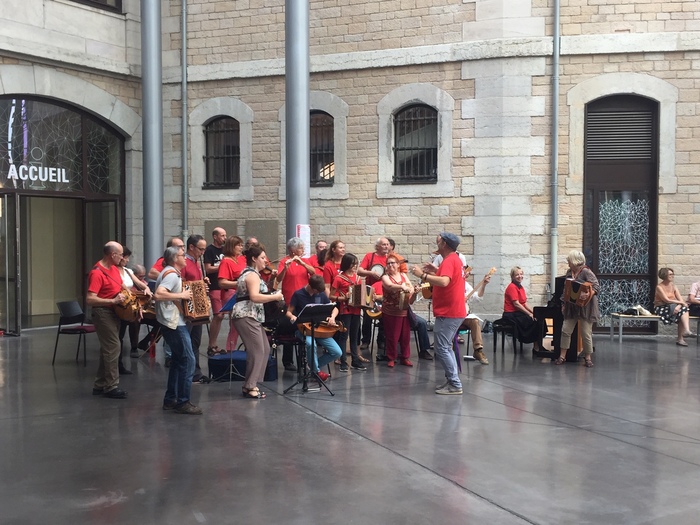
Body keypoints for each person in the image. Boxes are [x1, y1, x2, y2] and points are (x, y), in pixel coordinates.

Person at [411, 233, 466, 395]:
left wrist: (422, 275)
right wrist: (436, 270)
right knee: (445, 347)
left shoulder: (450, 260)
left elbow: (444, 281)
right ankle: (452, 381)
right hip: (451, 310)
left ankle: (455, 384)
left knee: (442, 347)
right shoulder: (453, 260)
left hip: (450, 311)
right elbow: (448, 277)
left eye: (440, 240)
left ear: (445, 244)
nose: (437, 241)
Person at [230, 244, 285, 399]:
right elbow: (255, 296)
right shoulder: (252, 275)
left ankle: (252, 383)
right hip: (246, 314)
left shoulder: (252, 274)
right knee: (257, 350)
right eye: (262, 258)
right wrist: (275, 297)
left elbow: (259, 293)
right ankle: (250, 386)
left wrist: (273, 282)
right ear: (254, 259)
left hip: (252, 315)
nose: (264, 261)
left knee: (265, 348)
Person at [154, 246, 202, 414]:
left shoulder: (170, 273)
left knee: (178, 361)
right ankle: (183, 401)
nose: (185, 258)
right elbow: (159, 294)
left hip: (172, 322)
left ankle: (171, 399)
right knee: (188, 361)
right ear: (175, 259)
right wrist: (182, 296)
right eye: (182, 255)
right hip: (174, 323)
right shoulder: (172, 275)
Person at [86, 241, 128, 399]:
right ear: (113, 255)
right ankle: (111, 386)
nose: (123, 257)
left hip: (114, 311)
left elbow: (122, 286)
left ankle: (100, 384)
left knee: (108, 350)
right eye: (121, 254)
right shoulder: (97, 272)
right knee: (113, 347)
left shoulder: (114, 269)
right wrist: (112, 301)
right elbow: (90, 299)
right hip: (103, 312)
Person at [286, 275, 343, 384]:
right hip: (304, 329)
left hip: (319, 328)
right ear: (312, 287)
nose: (318, 294)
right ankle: (316, 371)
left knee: (337, 352)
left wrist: (332, 317)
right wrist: (292, 316)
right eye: (317, 291)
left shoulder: (321, 293)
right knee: (311, 344)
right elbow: (288, 312)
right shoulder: (298, 294)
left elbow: (334, 307)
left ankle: (312, 366)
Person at [554, 250, 600, 367]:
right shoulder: (570, 272)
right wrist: (563, 304)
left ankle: (588, 358)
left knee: (586, 333)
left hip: (585, 308)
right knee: (566, 330)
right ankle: (562, 356)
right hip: (571, 307)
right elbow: (566, 290)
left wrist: (587, 294)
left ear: (574, 261)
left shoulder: (586, 272)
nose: (568, 262)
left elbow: (596, 287)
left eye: (569, 260)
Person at [276, 237, 316, 371]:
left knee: (303, 330)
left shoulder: (305, 260)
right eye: (300, 247)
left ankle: (302, 362)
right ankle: (287, 361)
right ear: (292, 250)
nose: (303, 249)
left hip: (304, 300)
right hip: (290, 299)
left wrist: (303, 263)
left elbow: (314, 273)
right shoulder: (284, 261)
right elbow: (279, 278)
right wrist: (285, 268)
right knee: (290, 328)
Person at [330, 253, 368, 371]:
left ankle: (355, 360)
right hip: (344, 310)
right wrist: (344, 298)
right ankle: (343, 362)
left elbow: (362, 293)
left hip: (356, 310)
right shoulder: (339, 278)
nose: (355, 266)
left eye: (356, 264)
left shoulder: (357, 278)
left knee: (355, 335)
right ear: (346, 264)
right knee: (343, 336)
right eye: (352, 264)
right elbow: (331, 296)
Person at [117, 246, 152, 372]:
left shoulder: (127, 271)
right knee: (119, 336)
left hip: (129, 306)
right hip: (119, 305)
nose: (127, 260)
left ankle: (135, 347)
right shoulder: (114, 271)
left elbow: (139, 283)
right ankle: (118, 364)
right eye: (125, 257)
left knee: (135, 322)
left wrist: (146, 289)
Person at [181, 234, 211, 383]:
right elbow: (182, 283)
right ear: (191, 247)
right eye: (200, 249)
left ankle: (196, 373)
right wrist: (198, 285)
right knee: (188, 342)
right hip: (188, 308)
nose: (202, 253)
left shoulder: (196, 262)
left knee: (195, 341)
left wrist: (202, 283)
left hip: (197, 307)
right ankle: (189, 373)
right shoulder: (184, 262)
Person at [382, 254, 415, 368]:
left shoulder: (403, 275)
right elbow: (389, 286)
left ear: (398, 265)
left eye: (393, 263)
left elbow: (410, 288)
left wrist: (412, 290)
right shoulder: (385, 277)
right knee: (392, 336)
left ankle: (405, 357)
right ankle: (391, 357)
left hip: (403, 310)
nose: (390, 265)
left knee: (405, 336)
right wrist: (402, 287)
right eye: (388, 263)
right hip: (390, 311)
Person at [358, 237, 391, 350]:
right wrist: (371, 273)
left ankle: (381, 340)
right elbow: (359, 271)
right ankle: (365, 340)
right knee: (367, 316)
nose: (386, 246)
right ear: (377, 246)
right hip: (370, 291)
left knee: (384, 316)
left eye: (387, 244)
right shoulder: (369, 256)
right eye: (384, 244)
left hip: (385, 290)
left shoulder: (390, 258)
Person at [216, 235, 246, 354]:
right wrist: (239, 283)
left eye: (241, 245)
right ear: (231, 247)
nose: (241, 247)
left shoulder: (242, 258)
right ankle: (230, 350)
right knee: (235, 325)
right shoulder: (226, 262)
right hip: (233, 295)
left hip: (243, 294)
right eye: (238, 245)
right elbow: (222, 283)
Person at [502, 266, 541, 351]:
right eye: (517, 275)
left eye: (521, 274)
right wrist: (529, 314)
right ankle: (536, 346)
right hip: (511, 314)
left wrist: (534, 312)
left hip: (517, 312)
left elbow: (524, 303)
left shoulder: (521, 287)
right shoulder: (512, 287)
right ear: (512, 276)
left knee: (538, 318)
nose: (520, 276)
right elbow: (516, 304)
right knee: (532, 320)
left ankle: (538, 345)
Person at [654, 267, 693, 347]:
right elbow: (666, 300)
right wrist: (680, 303)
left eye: (673, 274)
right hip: (662, 308)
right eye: (670, 274)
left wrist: (678, 306)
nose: (672, 276)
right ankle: (681, 337)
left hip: (674, 307)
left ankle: (686, 331)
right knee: (683, 311)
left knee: (683, 311)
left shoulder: (674, 286)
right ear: (664, 275)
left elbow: (680, 299)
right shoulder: (659, 287)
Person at [204, 227, 226, 356]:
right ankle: (211, 344)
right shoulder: (209, 250)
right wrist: (221, 267)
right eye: (222, 236)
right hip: (215, 286)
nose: (224, 238)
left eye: (225, 235)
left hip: (225, 286)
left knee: (224, 316)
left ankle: (219, 344)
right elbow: (208, 269)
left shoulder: (225, 250)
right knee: (218, 315)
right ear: (215, 236)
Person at [462, 266, 491, 365]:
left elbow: (477, 298)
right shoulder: (449, 283)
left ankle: (478, 350)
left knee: (474, 321)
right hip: (452, 316)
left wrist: (483, 285)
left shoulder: (466, 285)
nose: (466, 275)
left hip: (464, 315)